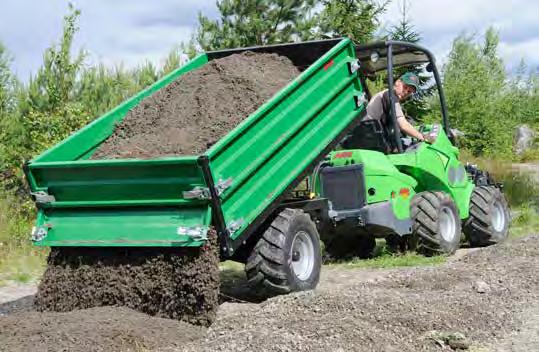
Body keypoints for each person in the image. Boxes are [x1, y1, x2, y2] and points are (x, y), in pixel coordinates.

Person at [364, 72, 429, 144]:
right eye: (405, 87)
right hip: (371, 138)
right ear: (398, 82)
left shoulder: (386, 94)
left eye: (409, 91)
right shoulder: (390, 96)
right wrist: (422, 137)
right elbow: (403, 125)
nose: (406, 92)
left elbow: (403, 120)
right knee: (409, 145)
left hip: (372, 135)